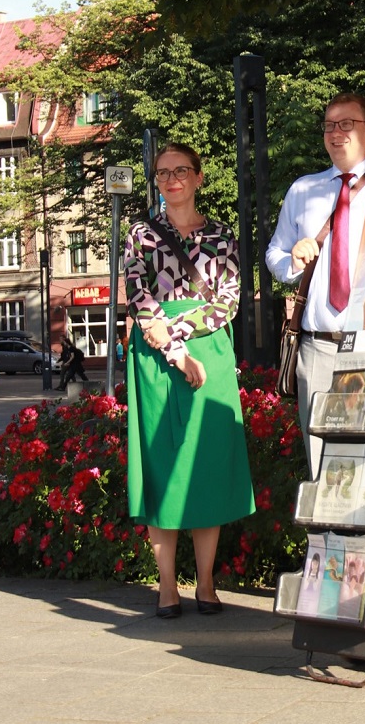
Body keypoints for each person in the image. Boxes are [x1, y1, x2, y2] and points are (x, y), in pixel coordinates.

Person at [124, 142, 256, 619]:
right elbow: (139, 294)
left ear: (199, 178)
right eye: (162, 173)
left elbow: (229, 301)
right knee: (163, 463)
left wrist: (179, 335)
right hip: (156, 354)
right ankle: (166, 586)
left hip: (209, 345)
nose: (171, 179)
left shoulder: (222, 236)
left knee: (207, 461)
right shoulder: (140, 233)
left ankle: (205, 583)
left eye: (181, 171)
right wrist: (174, 350)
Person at [266, 93, 365, 477]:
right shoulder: (303, 190)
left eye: (347, 123)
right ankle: (331, 537)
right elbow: (274, 254)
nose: (336, 132)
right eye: (329, 125)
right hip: (318, 348)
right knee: (323, 465)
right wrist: (292, 261)